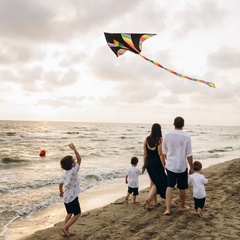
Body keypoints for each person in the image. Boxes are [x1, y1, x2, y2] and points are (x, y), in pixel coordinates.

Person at [162, 116, 193, 215]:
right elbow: (189, 154)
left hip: (170, 165)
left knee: (170, 186)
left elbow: (164, 152)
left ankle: (167, 208)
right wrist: (191, 167)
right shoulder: (186, 136)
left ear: (173, 124)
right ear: (183, 125)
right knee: (182, 187)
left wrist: (168, 159)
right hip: (182, 165)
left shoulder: (166, 135)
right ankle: (182, 206)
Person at [142, 123, 167, 210]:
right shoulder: (160, 140)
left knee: (152, 182)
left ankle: (155, 202)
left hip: (149, 163)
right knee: (158, 182)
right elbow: (160, 154)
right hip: (157, 163)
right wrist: (164, 164)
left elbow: (145, 154)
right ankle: (149, 199)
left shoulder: (147, 139)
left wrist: (144, 164)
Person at [59, 143, 82, 237]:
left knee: (69, 213)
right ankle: (65, 228)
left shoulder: (64, 173)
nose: (75, 161)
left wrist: (61, 192)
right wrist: (74, 149)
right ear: (72, 165)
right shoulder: (74, 171)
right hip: (72, 198)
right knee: (77, 214)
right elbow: (80, 159)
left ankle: (66, 230)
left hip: (66, 198)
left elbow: (60, 184)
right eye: (74, 161)